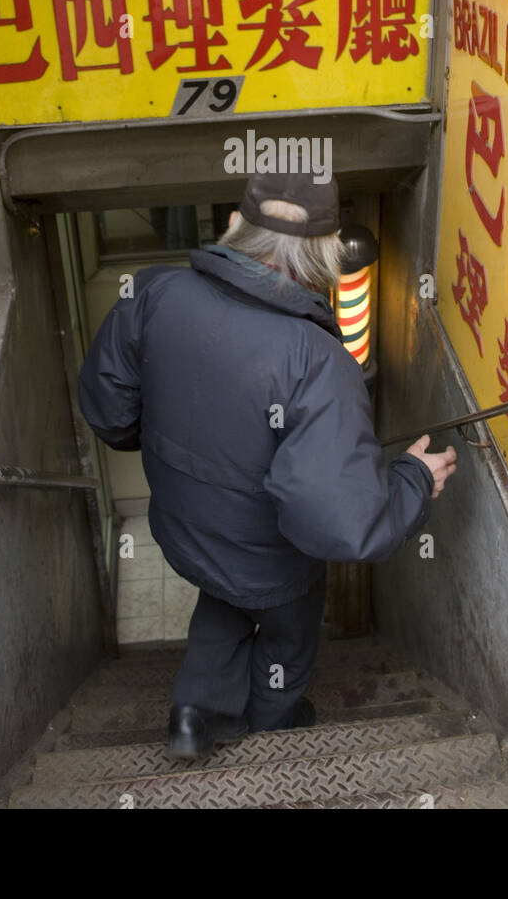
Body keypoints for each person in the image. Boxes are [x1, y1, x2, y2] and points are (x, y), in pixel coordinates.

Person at [78, 172, 457, 758]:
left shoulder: (153, 294)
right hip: (272, 560)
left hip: (185, 527)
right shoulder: (318, 360)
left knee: (223, 595)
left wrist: (174, 450)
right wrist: (411, 481)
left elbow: (108, 409)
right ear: (328, 253)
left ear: (239, 223)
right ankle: (274, 723)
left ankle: (194, 712)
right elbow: (342, 522)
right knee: (285, 632)